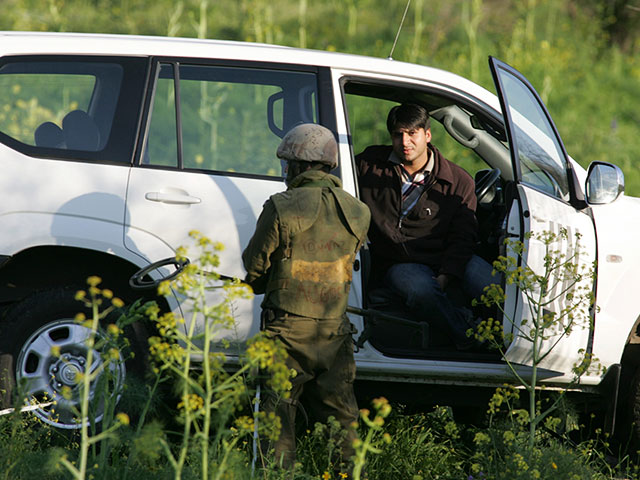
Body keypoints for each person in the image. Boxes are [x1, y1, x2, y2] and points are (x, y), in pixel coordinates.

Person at [242, 123, 371, 472]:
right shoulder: (359, 211)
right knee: (343, 420)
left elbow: (254, 267)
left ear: (299, 167)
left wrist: (260, 281)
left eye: (287, 165)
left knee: (278, 418)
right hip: (335, 332)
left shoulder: (282, 206)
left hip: (286, 332)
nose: (285, 172)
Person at [355, 103, 495, 350]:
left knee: (495, 287)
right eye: (398, 134)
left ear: (427, 135)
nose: (405, 141)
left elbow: (464, 237)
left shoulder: (457, 181)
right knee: (421, 290)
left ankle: (515, 344)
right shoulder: (370, 165)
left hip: (445, 257)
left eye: (412, 133)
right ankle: (469, 338)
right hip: (398, 263)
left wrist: (446, 275)